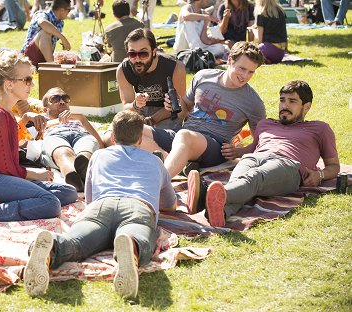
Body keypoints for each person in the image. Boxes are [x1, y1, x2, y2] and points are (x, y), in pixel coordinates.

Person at [24, 110, 177, 299]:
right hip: (138, 206)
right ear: (140, 139)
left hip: (101, 206)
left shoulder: (98, 156)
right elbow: (170, 204)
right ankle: (130, 245)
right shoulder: (155, 162)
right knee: (139, 236)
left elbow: (89, 196)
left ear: (112, 137)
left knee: (75, 243)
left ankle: (53, 246)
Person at [187, 80, 340, 227]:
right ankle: (221, 213)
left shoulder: (320, 129)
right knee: (240, 182)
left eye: (292, 101)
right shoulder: (265, 124)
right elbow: (254, 147)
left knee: (254, 177)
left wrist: (320, 175)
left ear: (306, 107)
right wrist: (237, 152)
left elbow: (333, 166)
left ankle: (204, 195)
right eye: (282, 100)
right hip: (254, 157)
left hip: (288, 165)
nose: (284, 105)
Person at [0, 50, 77, 226]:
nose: (31, 85)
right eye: (27, 80)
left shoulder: (4, 111)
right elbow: (5, 167)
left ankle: (1, 202)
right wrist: (35, 174)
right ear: (9, 85)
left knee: (69, 192)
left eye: (32, 78)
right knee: (51, 203)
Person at [149, 41, 265, 179]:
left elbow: (262, 140)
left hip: (214, 147)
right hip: (182, 136)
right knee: (132, 131)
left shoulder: (253, 102)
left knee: (184, 136)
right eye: (241, 68)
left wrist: (239, 152)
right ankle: (180, 161)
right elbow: (185, 108)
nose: (245, 76)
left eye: (251, 72)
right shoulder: (203, 77)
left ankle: (159, 184)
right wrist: (175, 104)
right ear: (229, 60)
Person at [116, 28, 188, 130]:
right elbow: (126, 107)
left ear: (154, 52)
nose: (137, 59)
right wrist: (136, 104)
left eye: (143, 54)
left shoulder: (175, 67)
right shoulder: (123, 70)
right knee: (110, 138)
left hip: (167, 113)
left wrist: (150, 120)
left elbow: (182, 107)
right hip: (140, 113)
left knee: (160, 139)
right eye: (132, 54)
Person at [40, 87, 104, 192]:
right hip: (55, 136)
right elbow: (21, 138)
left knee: (84, 153)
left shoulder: (79, 118)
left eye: (65, 98)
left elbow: (99, 143)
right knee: (63, 153)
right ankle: (73, 176)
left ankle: (82, 172)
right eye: (55, 99)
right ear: (45, 109)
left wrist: (81, 118)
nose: (61, 102)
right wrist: (27, 117)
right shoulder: (41, 120)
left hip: (81, 134)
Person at [20, 0, 71, 66]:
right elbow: (42, 23)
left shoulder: (60, 23)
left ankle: (50, 65)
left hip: (43, 58)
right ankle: (52, 67)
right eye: (69, 10)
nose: (69, 13)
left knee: (72, 56)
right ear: (61, 10)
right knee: (45, 33)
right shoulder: (42, 14)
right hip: (28, 57)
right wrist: (63, 38)